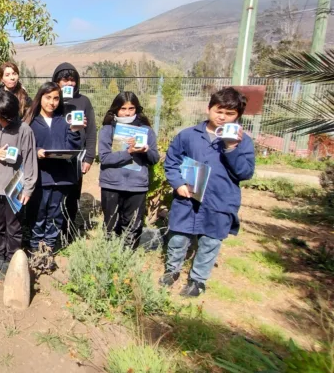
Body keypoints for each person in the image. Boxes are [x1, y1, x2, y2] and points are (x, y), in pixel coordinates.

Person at [160, 87, 255, 297]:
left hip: (220, 201)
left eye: (229, 113)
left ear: (238, 116)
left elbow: (245, 172)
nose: (222, 117)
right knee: (178, 236)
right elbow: (172, 162)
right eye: (218, 111)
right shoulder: (188, 135)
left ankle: (198, 280)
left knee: (210, 241)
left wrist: (231, 147)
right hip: (188, 198)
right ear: (208, 109)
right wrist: (178, 184)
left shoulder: (243, 142)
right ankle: (172, 270)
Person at [0, 91, 38, 282]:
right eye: (0, 118)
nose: (4, 122)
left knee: (14, 227)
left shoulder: (24, 130)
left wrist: (28, 188)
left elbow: (30, 160)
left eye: (8, 118)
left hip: (15, 189)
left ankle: (11, 259)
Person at [24, 82, 83, 252]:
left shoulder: (63, 122)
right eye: (48, 97)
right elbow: (25, 146)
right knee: (38, 212)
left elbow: (72, 148)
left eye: (56, 98)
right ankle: (35, 246)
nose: (52, 102)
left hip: (61, 177)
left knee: (55, 213)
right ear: (40, 98)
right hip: (40, 177)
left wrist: (74, 131)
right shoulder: (31, 122)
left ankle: (49, 245)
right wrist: (36, 151)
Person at [98, 91, 160, 249]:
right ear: (116, 109)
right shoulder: (107, 130)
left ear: (136, 109)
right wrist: (129, 152)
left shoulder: (146, 131)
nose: (127, 113)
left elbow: (154, 159)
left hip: (136, 185)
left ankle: (127, 256)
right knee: (111, 225)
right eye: (123, 109)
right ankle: (109, 255)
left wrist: (146, 150)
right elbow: (104, 158)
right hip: (112, 184)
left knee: (133, 226)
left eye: (131, 109)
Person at [51, 63, 97, 236]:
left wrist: (89, 157)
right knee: (53, 194)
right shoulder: (51, 100)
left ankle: (68, 230)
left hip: (76, 157)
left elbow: (91, 131)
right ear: (57, 81)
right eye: (65, 80)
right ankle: (52, 231)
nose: (69, 83)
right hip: (53, 155)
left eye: (72, 80)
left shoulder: (83, 101)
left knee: (72, 195)